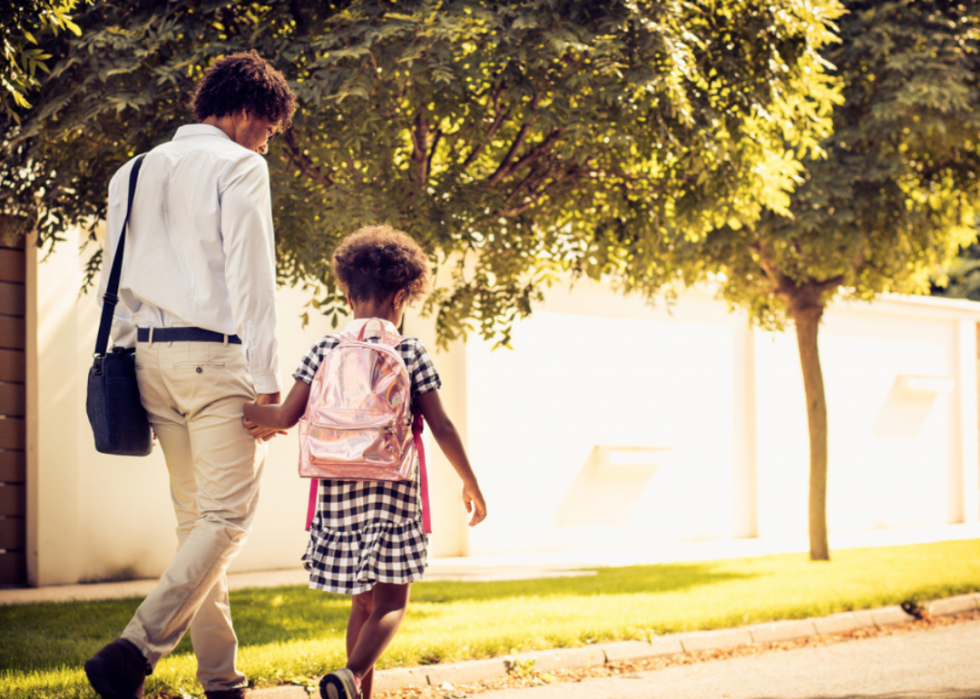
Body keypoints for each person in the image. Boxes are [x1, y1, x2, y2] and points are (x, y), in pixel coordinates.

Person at [84, 51, 296, 699]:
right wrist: (269, 383)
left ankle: (222, 679)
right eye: (267, 127)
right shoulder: (240, 166)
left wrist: (120, 356)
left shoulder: (134, 170)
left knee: (195, 524)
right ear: (242, 112)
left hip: (149, 361)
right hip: (218, 363)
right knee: (228, 520)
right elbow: (252, 279)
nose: (268, 141)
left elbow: (113, 279)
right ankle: (135, 648)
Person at [242, 225, 487, 699]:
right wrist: (470, 482)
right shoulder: (410, 352)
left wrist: (234, 408)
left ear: (348, 294)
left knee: (363, 604)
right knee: (392, 602)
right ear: (401, 295)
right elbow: (441, 426)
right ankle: (350, 677)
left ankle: (355, 690)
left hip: (338, 496)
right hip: (394, 495)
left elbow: (284, 417)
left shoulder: (323, 349)